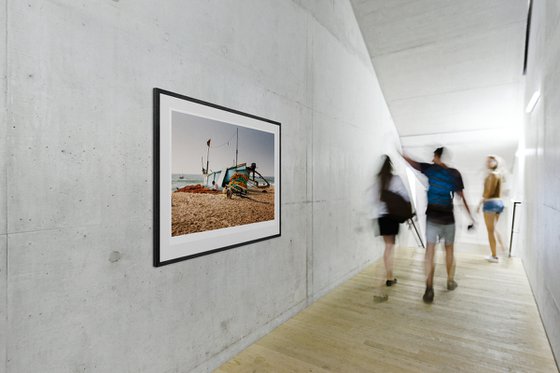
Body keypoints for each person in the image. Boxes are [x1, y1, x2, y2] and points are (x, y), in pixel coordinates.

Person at [403, 147, 474, 303]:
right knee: (449, 250)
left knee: (430, 251)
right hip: (448, 218)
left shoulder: (431, 169)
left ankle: (429, 288)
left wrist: (402, 152)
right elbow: (461, 198)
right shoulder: (454, 174)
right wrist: (471, 218)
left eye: (433, 157)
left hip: (433, 217)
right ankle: (450, 280)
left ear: (436, 156)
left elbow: (411, 163)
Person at [375, 155, 411, 287]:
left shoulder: (377, 180)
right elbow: (406, 197)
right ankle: (389, 277)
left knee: (387, 246)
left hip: (381, 217)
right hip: (392, 217)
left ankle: (388, 275)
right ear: (390, 166)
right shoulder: (395, 179)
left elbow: (373, 201)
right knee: (390, 247)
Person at [477, 156, 505, 263]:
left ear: (496, 163)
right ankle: (503, 249)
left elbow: (488, 191)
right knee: (494, 229)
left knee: (490, 231)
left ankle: (494, 256)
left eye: (491, 161)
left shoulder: (491, 175)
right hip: (499, 202)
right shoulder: (499, 174)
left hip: (490, 203)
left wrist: (480, 203)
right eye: (487, 161)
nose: (488, 162)